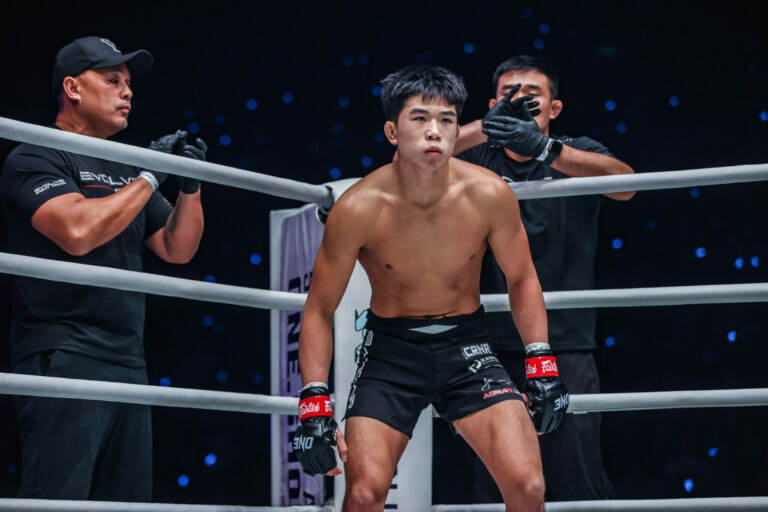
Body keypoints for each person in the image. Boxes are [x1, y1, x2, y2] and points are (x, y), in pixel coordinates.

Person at [291, 64, 569, 511]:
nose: (434, 131)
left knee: (529, 486)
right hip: (391, 355)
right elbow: (319, 308)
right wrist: (314, 400)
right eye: (419, 118)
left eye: (446, 120)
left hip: (468, 349)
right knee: (362, 495)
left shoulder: (490, 193)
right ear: (391, 130)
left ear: (459, 128)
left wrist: (540, 358)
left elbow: (522, 278)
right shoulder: (358, 207)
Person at [0, 36, 206, 501]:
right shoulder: (35, 154)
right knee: (59, 498)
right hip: (63, 352)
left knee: (127, 502)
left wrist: (190, 187)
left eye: (129, 83)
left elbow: (178, 248)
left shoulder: (122, 168)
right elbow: (77, 231)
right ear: (73, 88)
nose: (127, 91)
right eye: (112, 80)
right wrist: (151, 175)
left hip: (128, 358)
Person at [449, 55, 635, 501]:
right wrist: (484, 127)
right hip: (486, 346)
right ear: (494, 103)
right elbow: (408, 157)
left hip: (565, 342)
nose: (520, 103)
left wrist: (546, 150)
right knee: (496, 485)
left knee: (576, 479)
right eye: (509, 96)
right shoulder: (473, 156)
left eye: (531, 96)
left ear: (555, 108)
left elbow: (628, 184)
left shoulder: (576, 150)